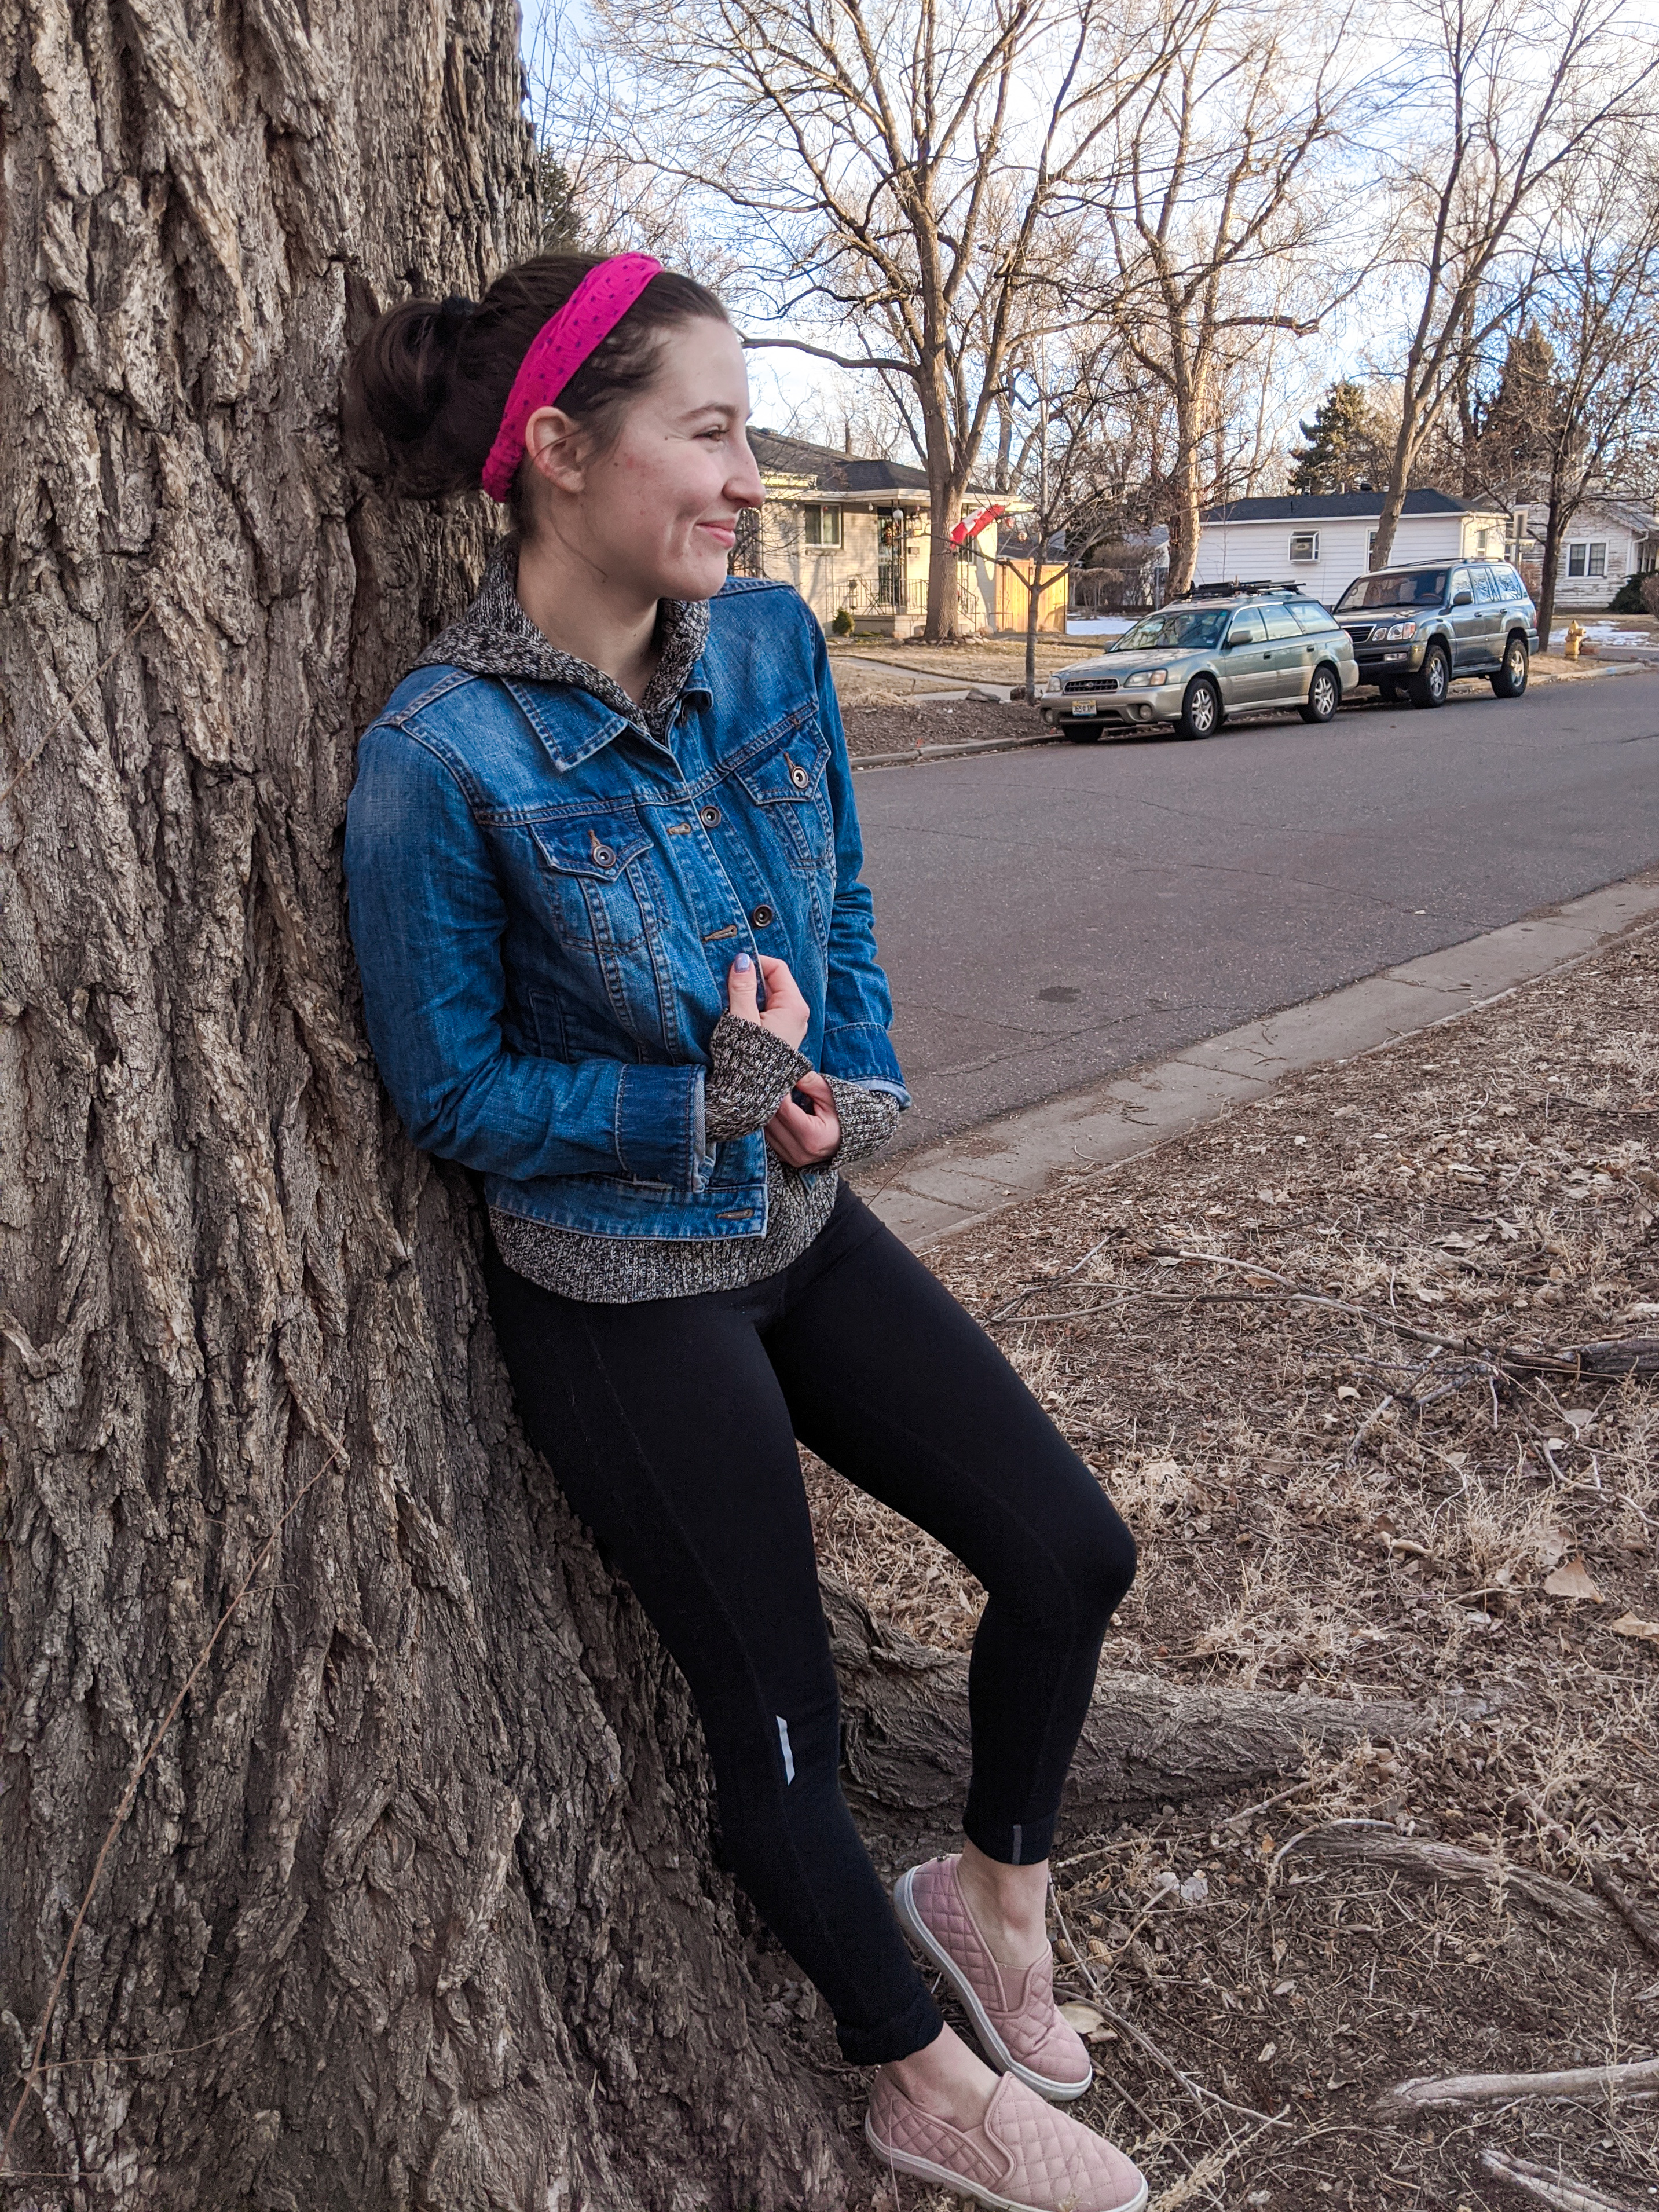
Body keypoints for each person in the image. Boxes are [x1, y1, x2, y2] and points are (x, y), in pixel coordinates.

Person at [342, 251, 1146, 2212]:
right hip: (617, 1291)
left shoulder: (775, 646)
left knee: (1067, 1549)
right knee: (772, 1716)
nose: (746, 477)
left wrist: (840, 1088)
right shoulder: (436, 763)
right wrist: (694, 1096)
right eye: (705, 431)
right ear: (554, 452)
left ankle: (988, 1894)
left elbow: (841, 921)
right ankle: (917, 2079)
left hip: (802, 1220)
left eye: (747, 432)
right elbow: (449, 1095)